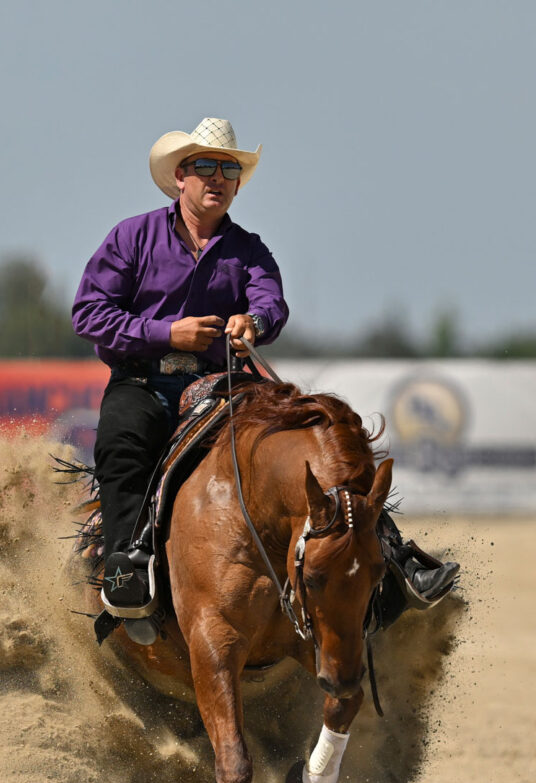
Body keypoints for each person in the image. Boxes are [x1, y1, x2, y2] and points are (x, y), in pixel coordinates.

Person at [73, 118, 457, 645]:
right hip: (142, 381)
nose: (218, 177)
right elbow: (90, 315)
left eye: (228, 169)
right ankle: (126, 570)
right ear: (180, 176)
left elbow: (271, 301)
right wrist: (168, 333)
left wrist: (254, 322)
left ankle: (394, 558)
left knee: (316, 438)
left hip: (221, 385)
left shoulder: (249, 249)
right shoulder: (131, 237)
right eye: (205, 166)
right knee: (122, 443)